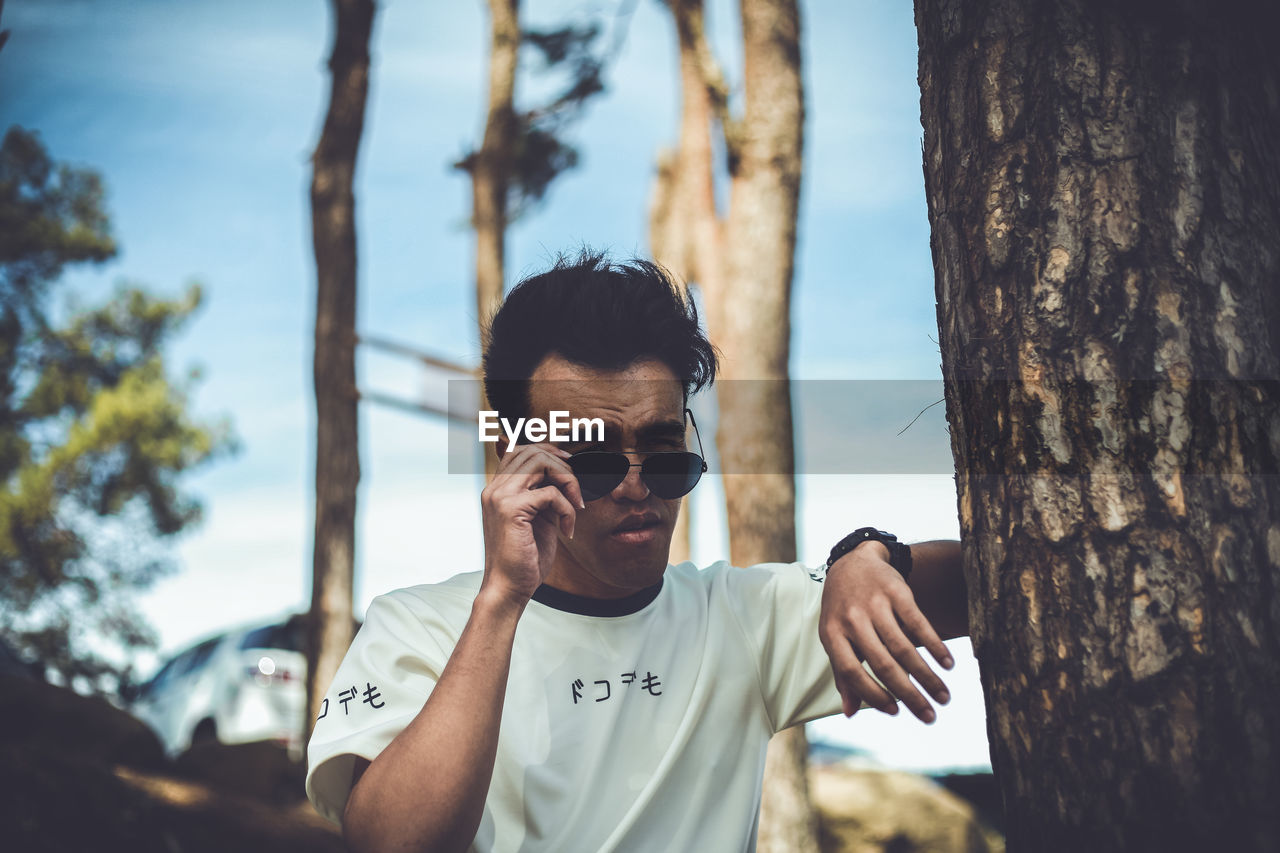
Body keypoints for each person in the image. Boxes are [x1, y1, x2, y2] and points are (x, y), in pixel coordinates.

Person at [305, 251, 968, 853]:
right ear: (518, 462)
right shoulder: (418, 626)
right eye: (592, 460)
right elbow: (390, 842)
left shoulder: (737, 616)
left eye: (662, 452)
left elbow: (982, 583)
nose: (634, 486)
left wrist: (869, 554)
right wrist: (502, 601)